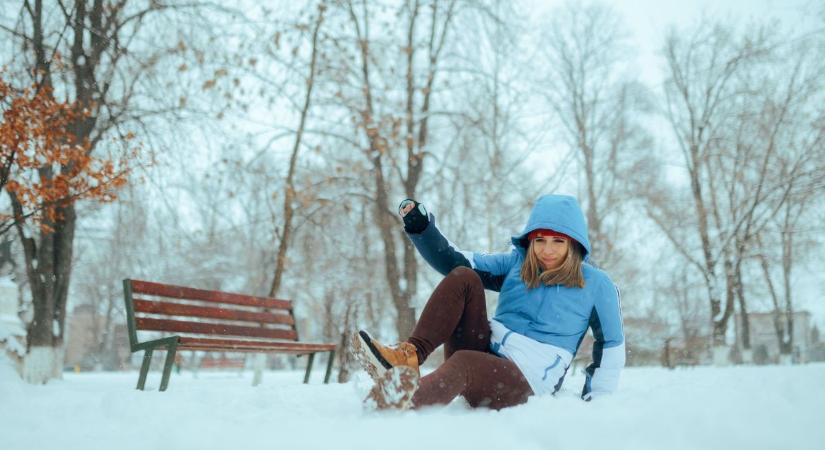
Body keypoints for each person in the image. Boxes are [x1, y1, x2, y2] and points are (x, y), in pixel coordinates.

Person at [352, 194, 625, 410]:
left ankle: (401, 401)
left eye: (558, 241)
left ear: (574, 244)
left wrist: (596, 401)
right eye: (540, 240)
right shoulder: (517, 264)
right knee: (464, 278)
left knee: (465, 362)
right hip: (487, 355)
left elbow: (610, 345)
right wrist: (422, 229)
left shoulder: (597, 284)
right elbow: (458, 262)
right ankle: (409, 355)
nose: (548, 249)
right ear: (530, 241)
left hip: (526, 383)